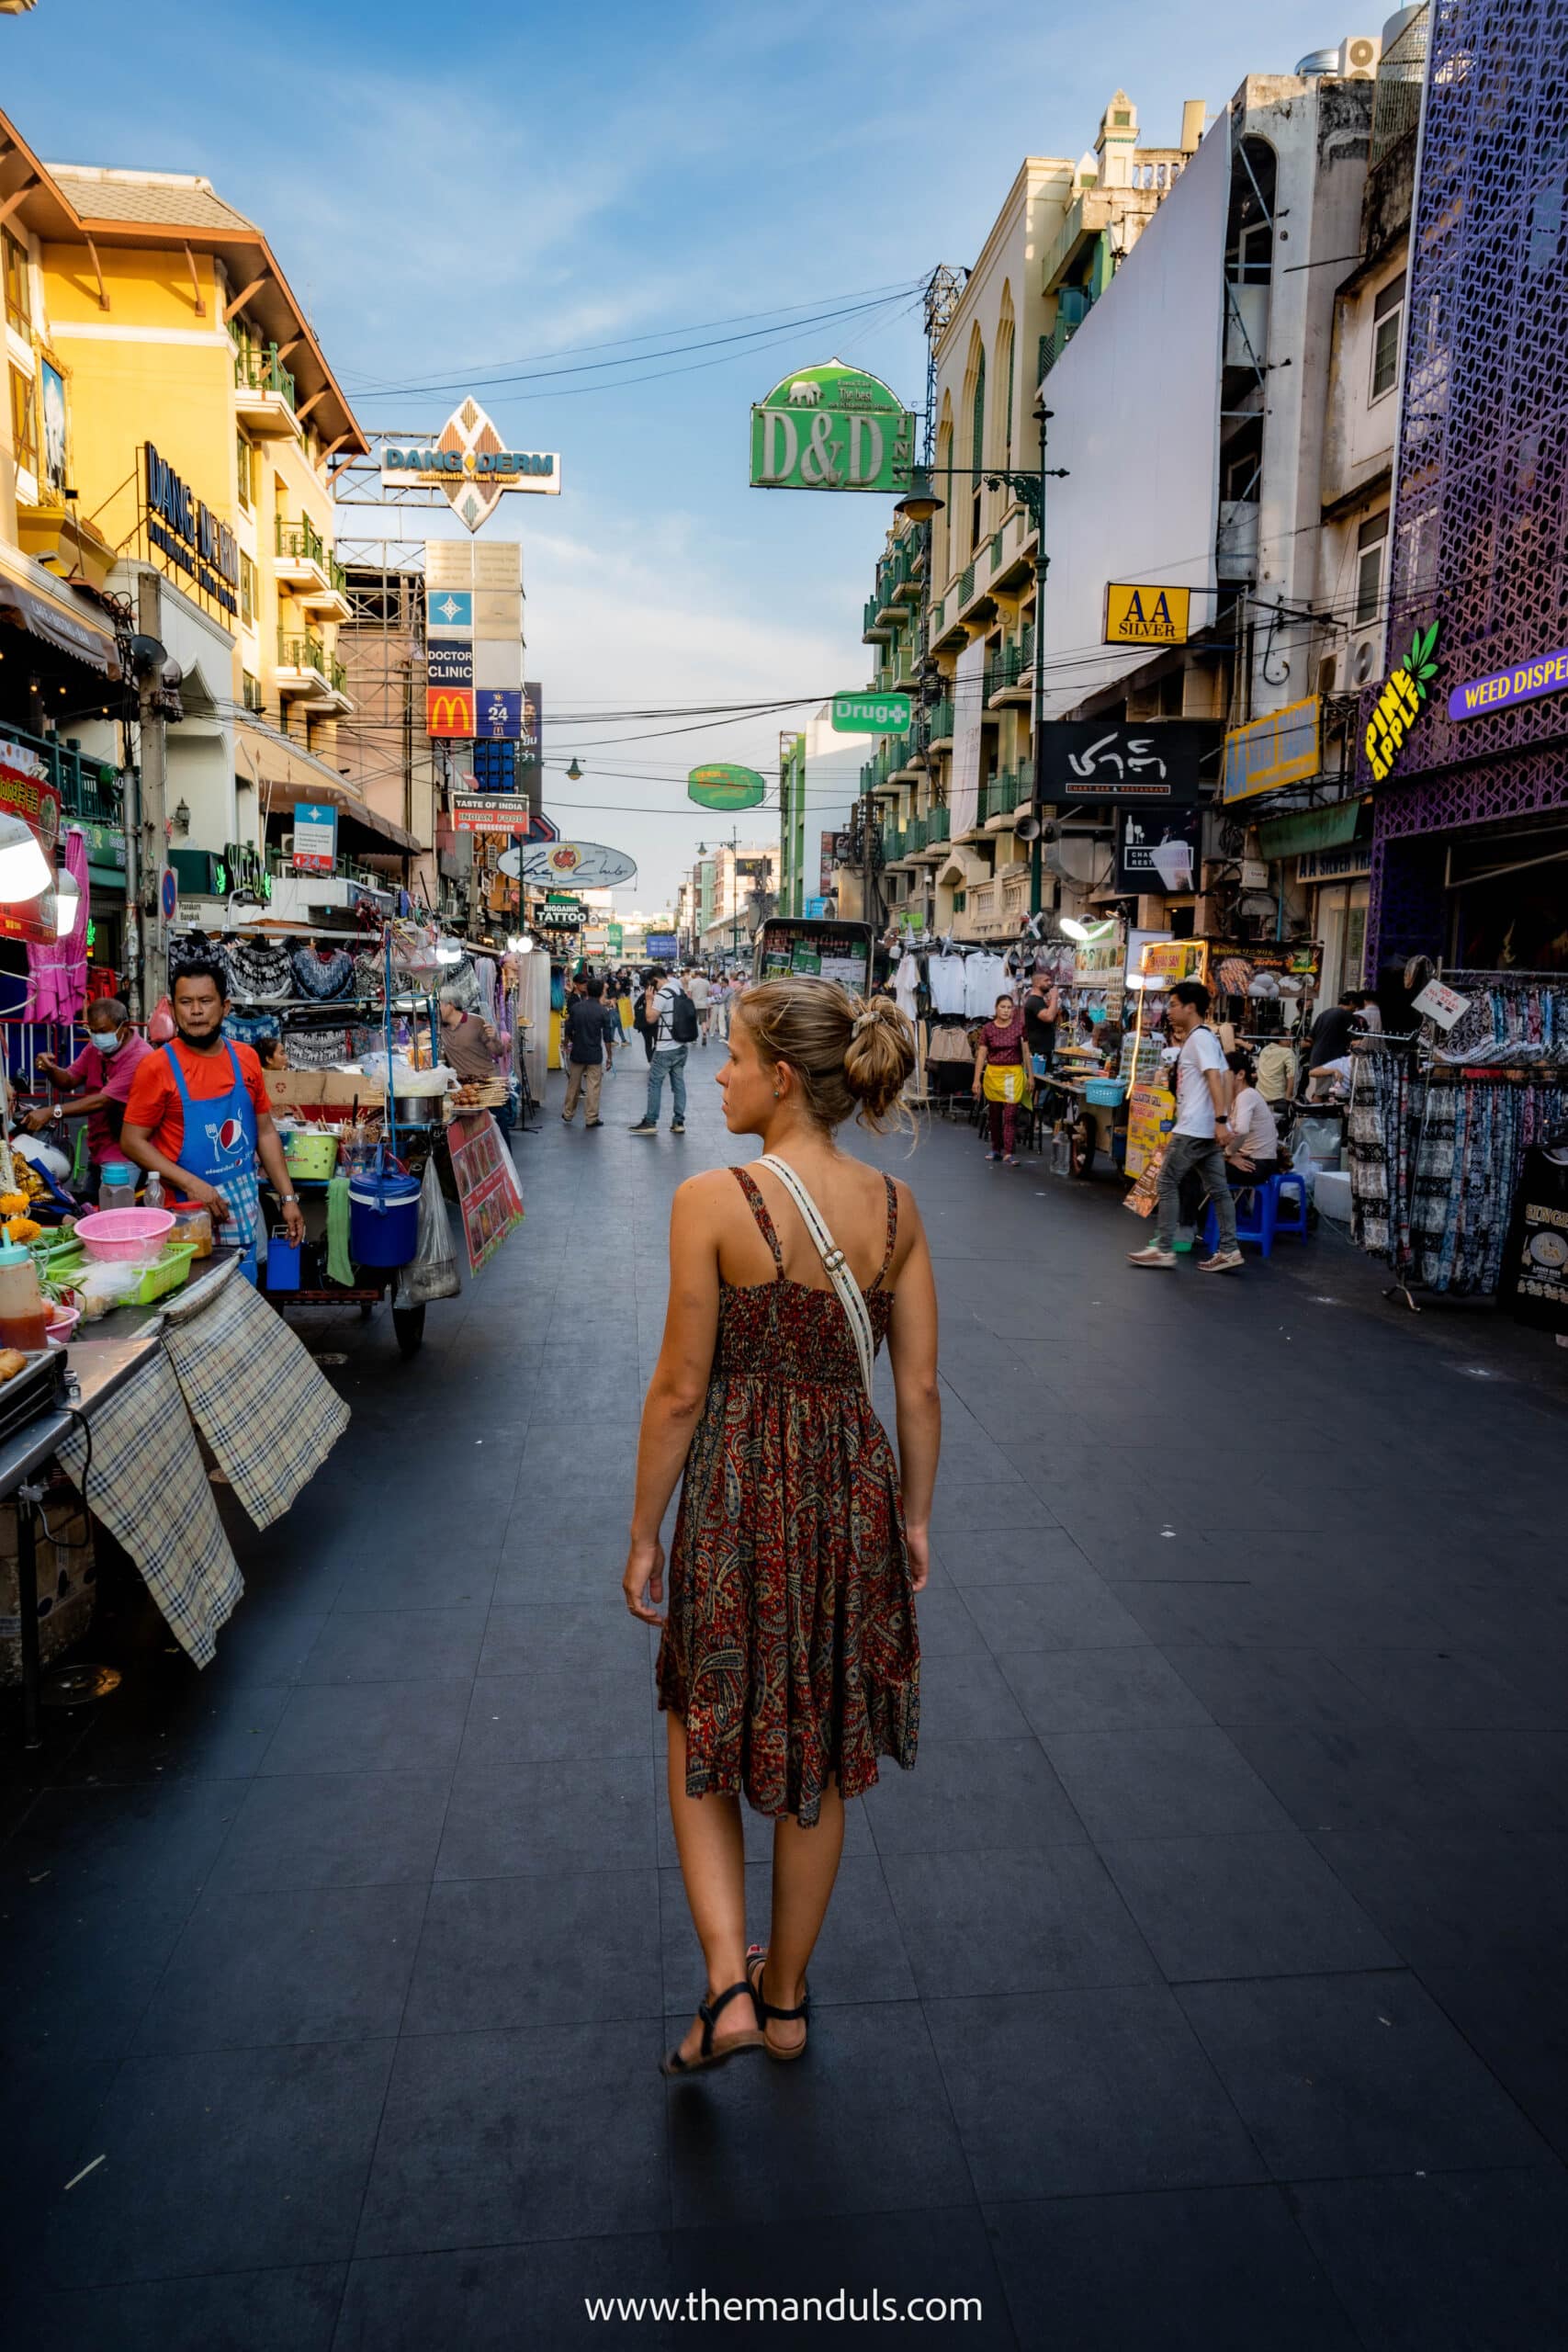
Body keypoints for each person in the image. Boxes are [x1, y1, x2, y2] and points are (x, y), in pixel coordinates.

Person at [625, 978, 938, 2074]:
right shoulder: (896, 1210)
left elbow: (677, 1387)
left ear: (782, 1078)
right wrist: (913, 1517)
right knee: (827, 1742)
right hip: (848, 1489)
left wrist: (643, 1531)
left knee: (700, 1710)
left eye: (734, 1057)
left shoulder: (714, 1200)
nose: (719, 1073)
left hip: (740, 1485)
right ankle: (789, 1998)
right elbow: (921, 1392)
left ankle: (726, 1988)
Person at [119, 959, 305, 1283]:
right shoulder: (156, 1068)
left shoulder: (246, 1058)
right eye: (186, 1002)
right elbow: (131, 1141)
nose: (195, 1011)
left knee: (244, 1301)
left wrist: (288, 1198)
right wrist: (193, 1184)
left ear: (225, 1007)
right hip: (184, 1217)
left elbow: (264, 1132)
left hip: (242, 1206)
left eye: (205, 1001)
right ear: (173, 1008)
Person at [1127, 979, 1243, 1274]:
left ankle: (1164, 1247)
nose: (1169, 1010)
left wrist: (1220, 1120)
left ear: (1191, 1008)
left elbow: (1216, 1078)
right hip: (1204, 1127)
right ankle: (1229, 1249)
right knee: (1219, 1189)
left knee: (1166, 1182)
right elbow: (1227, 1077)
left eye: (1174, 1004)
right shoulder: (1205, 1038)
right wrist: (1223, 1118)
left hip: (1193, 1127)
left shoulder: (1200, 1038)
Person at [26, 997, 152, 1181]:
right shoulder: (95, 1047)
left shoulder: (141, 1057)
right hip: (99, 1146)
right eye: (92, 1031)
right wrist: (50, 1069)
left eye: (102, 1031)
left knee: (114, 1205)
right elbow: (69, 1080)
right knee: (91, 1206)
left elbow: (103, 1100)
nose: (97, 1037)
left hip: (126, 1152)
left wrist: (53, 1111)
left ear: (124, 1026)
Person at [629, 967, 694, 1136]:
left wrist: (649, 1000)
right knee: (678, 1084)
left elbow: (650, 1018)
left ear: (655, 980)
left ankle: (650, 1121)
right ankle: (678, 1121)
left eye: (652, 984)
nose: (652, 988)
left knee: (654, 1084)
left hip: (665, 1048)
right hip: (681, 1046)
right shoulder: (678, 990)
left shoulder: (663, 993)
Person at [972, 990, 1028, 1165]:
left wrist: (1031, 1077)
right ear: (996, 1009)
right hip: (993, 1075)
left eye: (1009, 1007)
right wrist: (976, 1080)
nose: (1006, 1010)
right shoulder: (988, 1029)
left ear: (1013, 1010)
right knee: (994, 1115)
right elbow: (981, 1055)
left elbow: (1026, 1052)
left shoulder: (1019, 1027)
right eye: (1002, 1007)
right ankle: (996, 1149)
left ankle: (1009, 1152)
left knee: (1010, 1115)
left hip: (1013, 1075)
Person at [561, 975, 615, 1128]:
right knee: (593, 1086)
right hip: (594, 1053)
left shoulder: (576, 1008)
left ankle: (568, 1113)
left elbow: (568, 1027)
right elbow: (607, 1037)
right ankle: (591, 1117)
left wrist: (567, 1042)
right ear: (600, 993)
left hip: (577, 1051)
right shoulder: (602, 1011)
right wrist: (609, 1057)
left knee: (573, 1084)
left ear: (588, 991)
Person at [1223, 1049, 1281, 1181]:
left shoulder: (1246, 1095)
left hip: (1258, 1164)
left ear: (1240, 1074)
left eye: (1224, 1073)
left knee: (1200, 1168)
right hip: (1254, 1160)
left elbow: (1241, 1130)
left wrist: (1227, 1154)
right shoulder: (1236, 1099)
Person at [438, 991, 503, 1084]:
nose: (436, 1009)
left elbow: (499, 1052)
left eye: (439, 1005)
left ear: (450, 1005)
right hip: (463, 1087)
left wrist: (494, 1038)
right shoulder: (440, 1029)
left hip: (485, 1083)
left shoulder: (476, 1022)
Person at [1306, 991, 1359, 1071]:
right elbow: (1356, 1040)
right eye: (1356, 1007)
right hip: (1332, 1063)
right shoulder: (1348, 1015)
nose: (1355, 1010)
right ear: (1351, 1003)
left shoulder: (1324, 1014)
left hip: (1316, 1062)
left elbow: (1310, 1038)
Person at [1021, 968, 1060, 1072]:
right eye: (1046, 980)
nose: (1050, 983)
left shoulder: (1039, 1001)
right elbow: (1049, 1017)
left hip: (1044, 1050)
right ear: (1037, 983)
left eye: (1050, 980)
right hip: (1037, 1052)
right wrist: (1054, 998)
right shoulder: (1034, 1001)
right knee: (1038, 1082)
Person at [687, 965, 712, 1046]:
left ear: (695, 975)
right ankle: (704, 1034)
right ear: (701, 975)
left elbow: (689, 994)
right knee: (703, 1021)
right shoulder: (706, 982)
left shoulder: (691, 982)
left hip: (694, 1005)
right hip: (703, 1005)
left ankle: (694, 1038)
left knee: (693, 1022)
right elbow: (709, 994)